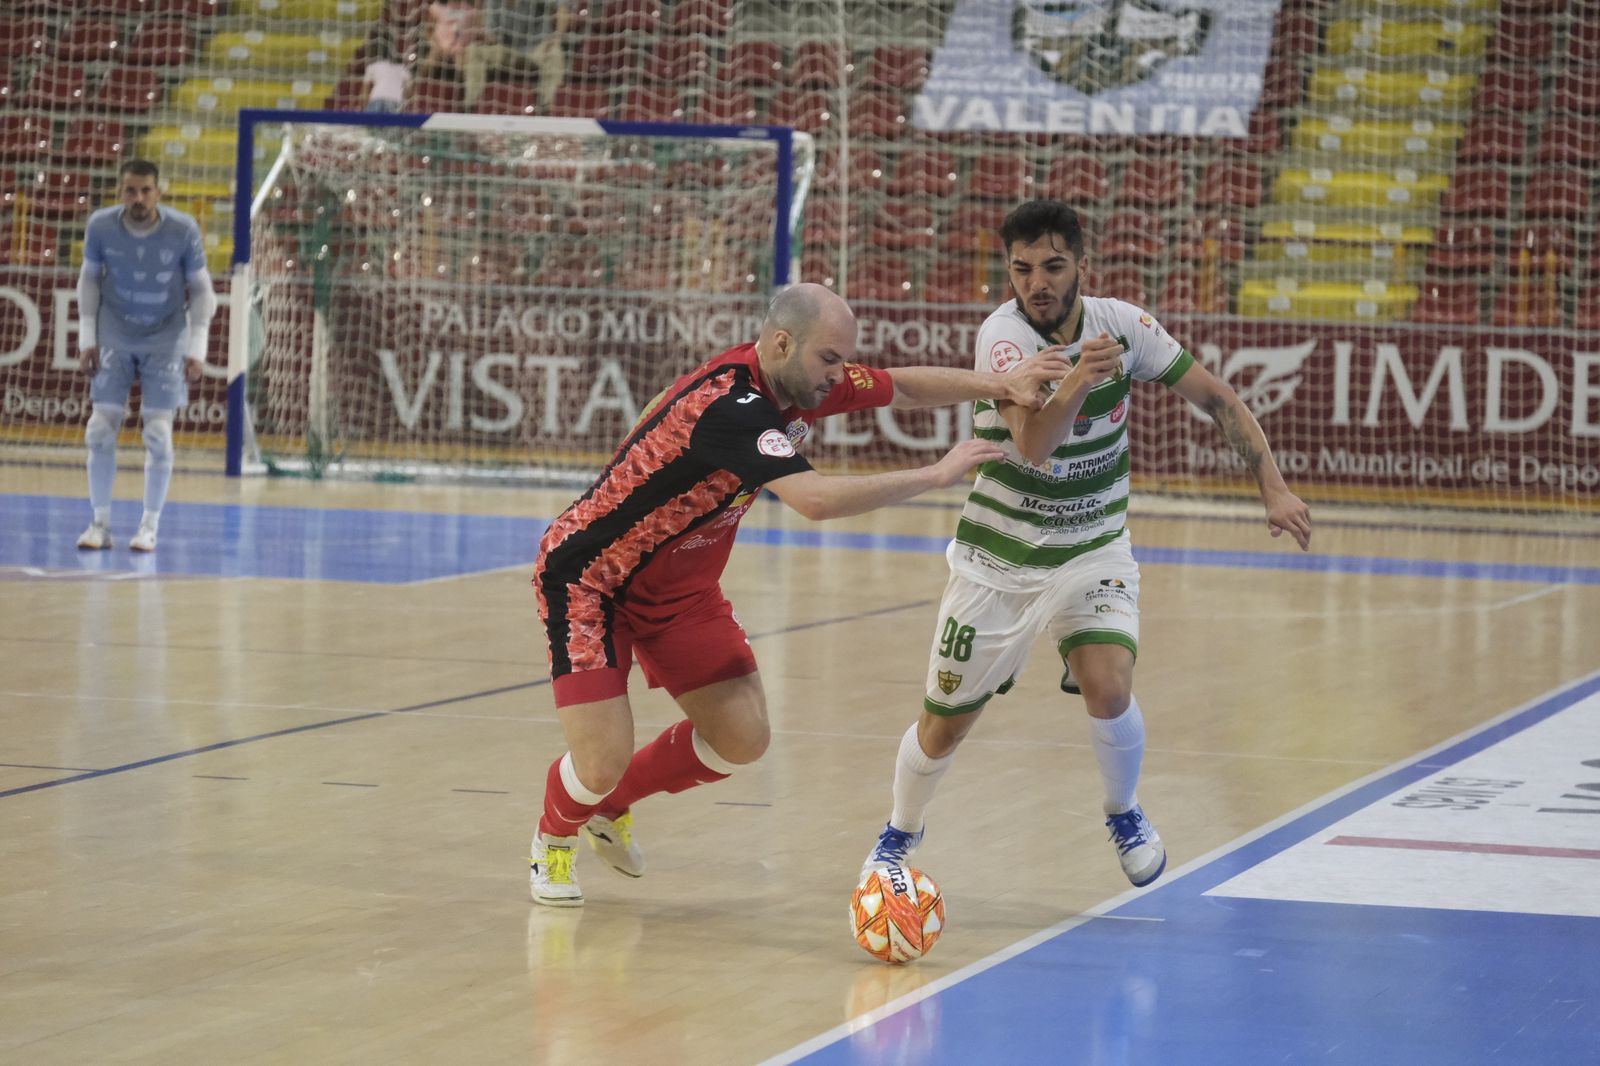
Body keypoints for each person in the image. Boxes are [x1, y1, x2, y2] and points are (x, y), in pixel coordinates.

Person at [529, 282, 1074, 907]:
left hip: (681, 591)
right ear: (783, 342)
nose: (839, 376)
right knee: (598, 764)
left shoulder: (795, 379)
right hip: (591, 582)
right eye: (830, 360)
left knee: (742, 739)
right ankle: (553, 838)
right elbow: (812, 501)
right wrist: (936, 474)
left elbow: (903, 384)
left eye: (843, 361)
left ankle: (612, 806)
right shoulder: (732, 409)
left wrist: (1003, 385)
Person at [859, 200, 1313, 890]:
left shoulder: (1124, 324)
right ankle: (898, 833)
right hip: (999, 556)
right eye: (1021, 268)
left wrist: (1273, 486)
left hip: (1090, 543)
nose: (1036, 282)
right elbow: (1036, 445)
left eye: (1052, 266)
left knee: (1107, 683)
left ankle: (1124, 810)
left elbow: (1217, 395)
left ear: (1081, 265)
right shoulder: (1004, 338)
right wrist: (1079, 377)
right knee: (943, 726)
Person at [75, 160, 216, 554]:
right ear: (121, 192)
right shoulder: (101, 226)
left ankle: (149, 527)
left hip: (166, 334)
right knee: (99, 430)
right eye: (130, 191)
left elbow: (202, 290)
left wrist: (198, 347)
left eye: (145, 191)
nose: (138, 199)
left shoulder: (183, 229)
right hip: (114, 330)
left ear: (159, 192)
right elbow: (88, 279)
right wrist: (88, 338)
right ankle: (99, 524)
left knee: (157, 434)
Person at [464, 0, 571, 110]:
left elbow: (563, 5)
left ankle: (548, 108)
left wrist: (558, 36)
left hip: (537, 47)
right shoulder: (493, 2)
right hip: (506, 49)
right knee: (474, 50)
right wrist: (488, 36)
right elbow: (491, 32)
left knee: (555, 53)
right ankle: (471, 105)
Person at [362, 37, 412, 113]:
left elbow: (364, 92)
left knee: (369, 124)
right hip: (395, 101)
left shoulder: (373, 66)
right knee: (391, 124)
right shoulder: (402, 68)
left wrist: (363, 109)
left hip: (377, 98)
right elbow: (409, 90)